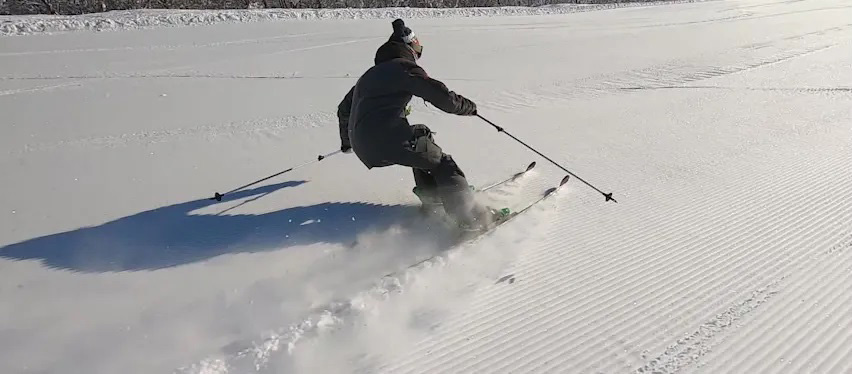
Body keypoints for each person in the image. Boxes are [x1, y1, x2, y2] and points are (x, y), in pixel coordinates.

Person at [336, 19, 507, 231]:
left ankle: (433, 195)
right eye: (417, 51)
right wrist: (468, 107)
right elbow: (440, 96)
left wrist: (347, 142)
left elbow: (343, 110)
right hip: (389, 139)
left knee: (421, 134)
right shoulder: (403, 68)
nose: (417, 56)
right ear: (409, 48)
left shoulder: (367, 77)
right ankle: (469, 217)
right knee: (443, 163)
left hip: (364, 147)